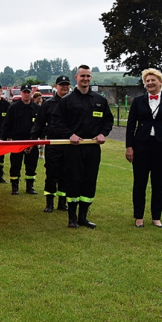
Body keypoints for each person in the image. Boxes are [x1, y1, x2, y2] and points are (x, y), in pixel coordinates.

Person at [51, 65, 114, 229]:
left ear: (91, 78)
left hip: (93, 148)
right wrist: (69, 134)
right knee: (73, 181)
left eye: (88, 76)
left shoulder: (99, 100)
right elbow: (57, 121)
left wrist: (103, 134)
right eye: (82, 76)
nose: (85, 79)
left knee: (89, 181)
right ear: (76, 77)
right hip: (74, 148)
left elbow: (108, 120)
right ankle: (71, 218)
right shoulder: (67, 101)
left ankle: (83, 217)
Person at [125, 68, 162, 228]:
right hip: (141, 144)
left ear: (160, 82)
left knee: (158, 183)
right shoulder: (138, 101)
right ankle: (139, 216)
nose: (149, 83)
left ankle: (156, 216)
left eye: (152, 80)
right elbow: (130, 126)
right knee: (139, 183)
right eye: (147, 81)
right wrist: (129, 146)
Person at [31, 76, 72, 212]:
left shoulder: (73, 102)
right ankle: (49, 203)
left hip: (69, 144)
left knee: (66, 174)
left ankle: (62, 202)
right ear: (56, 86)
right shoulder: (48, 104)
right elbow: (39, 123)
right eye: (62, 85)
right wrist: (32, 140)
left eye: (67, 84)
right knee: (52, 173)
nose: (64, 87)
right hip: (53, 143)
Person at [2, 84, 40, 195]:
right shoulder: (13, 107)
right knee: (15, 165)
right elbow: (6, 124)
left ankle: (30, 186)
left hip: (32, 141)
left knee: (31, 166)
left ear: (31, 93)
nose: (27, 94)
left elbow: (41, 125)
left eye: (28, 92)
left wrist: (39, 139)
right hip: (17, 141)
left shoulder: (37, 108)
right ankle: (15, 187)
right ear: (21, 93)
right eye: (24, 92)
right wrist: (3, 138)